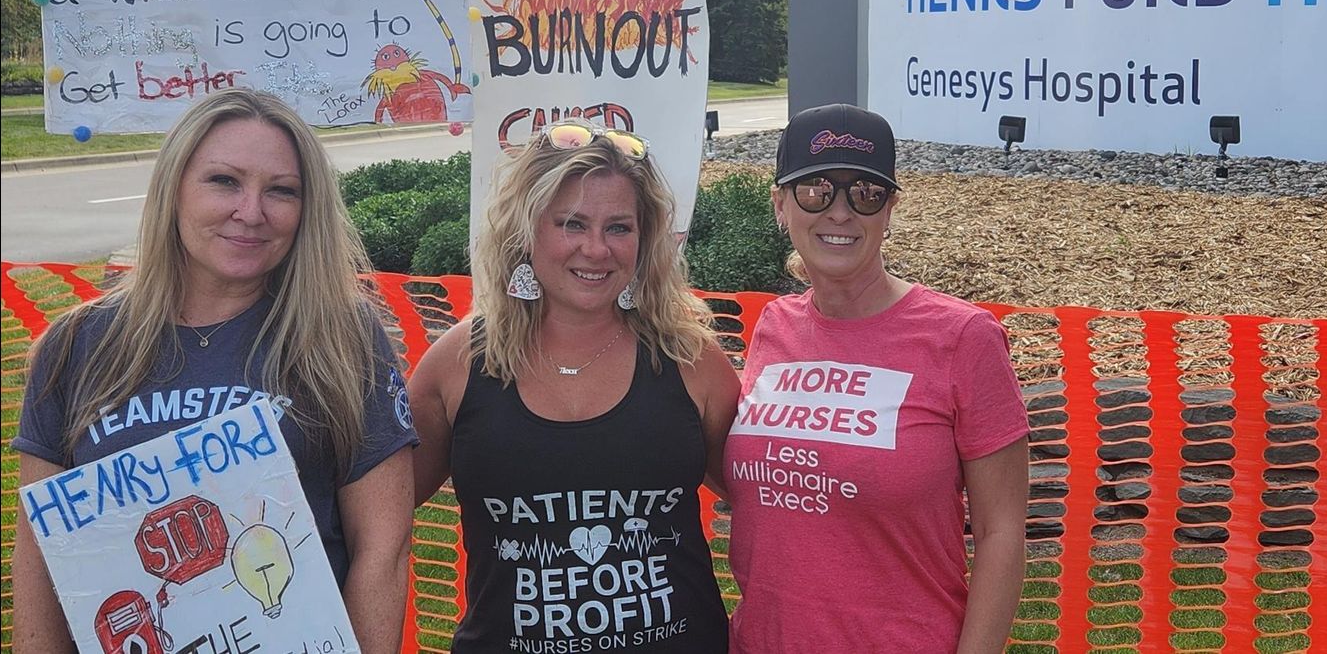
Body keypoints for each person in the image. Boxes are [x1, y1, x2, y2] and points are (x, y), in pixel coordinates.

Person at [12, 88, 418, 653]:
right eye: (224, 181)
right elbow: (38, 557)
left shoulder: (343, 340)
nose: (251, 212)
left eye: (281, 190)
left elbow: (383, 549)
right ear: (174, 188)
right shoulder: (77, 345)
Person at [409, 118, 740, 653]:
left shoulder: (690, 358)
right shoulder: (458, 363)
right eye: (571, 223)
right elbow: (376, 513)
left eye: (619, 227)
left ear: (645, 238)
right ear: (526, 230)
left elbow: (765, 500)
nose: (597, 249)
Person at [723, 103, 1029, 653]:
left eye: (864, 193)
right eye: (815, 190)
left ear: (889, 210)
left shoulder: (964, 337)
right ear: (780, 205)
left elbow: (1001, 532)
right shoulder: (773, 326)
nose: (840, 212)